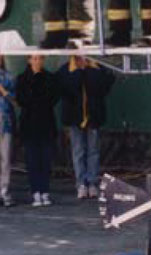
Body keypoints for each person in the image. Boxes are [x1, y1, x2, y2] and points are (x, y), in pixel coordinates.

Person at [56, 56, 115, 199]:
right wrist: (78, 72)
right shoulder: (65, 70)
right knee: (78, 151)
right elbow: (66, 90)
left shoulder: (98, 69)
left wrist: (89, 70)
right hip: (75, 118)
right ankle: (81, 183)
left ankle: (92, 183)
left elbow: (103, 88)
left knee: (93, 151)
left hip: (93, 117)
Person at [15, 55, 58, 206]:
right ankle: (35, 193)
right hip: (29, 125)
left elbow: (53, 99)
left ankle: (45, 192)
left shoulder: (50, 78)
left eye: (40, 58)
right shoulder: (21, 79)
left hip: (46, 124)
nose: (37, 61)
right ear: (29, 60)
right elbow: (21, 100)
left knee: (45, 160)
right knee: (32, 161)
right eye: (34, 59)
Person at [0, 55, 16, 207]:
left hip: (5, 122)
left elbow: (16, 101)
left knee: (5, 158)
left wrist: (3, 91)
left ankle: (4, 191)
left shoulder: (9, 76)